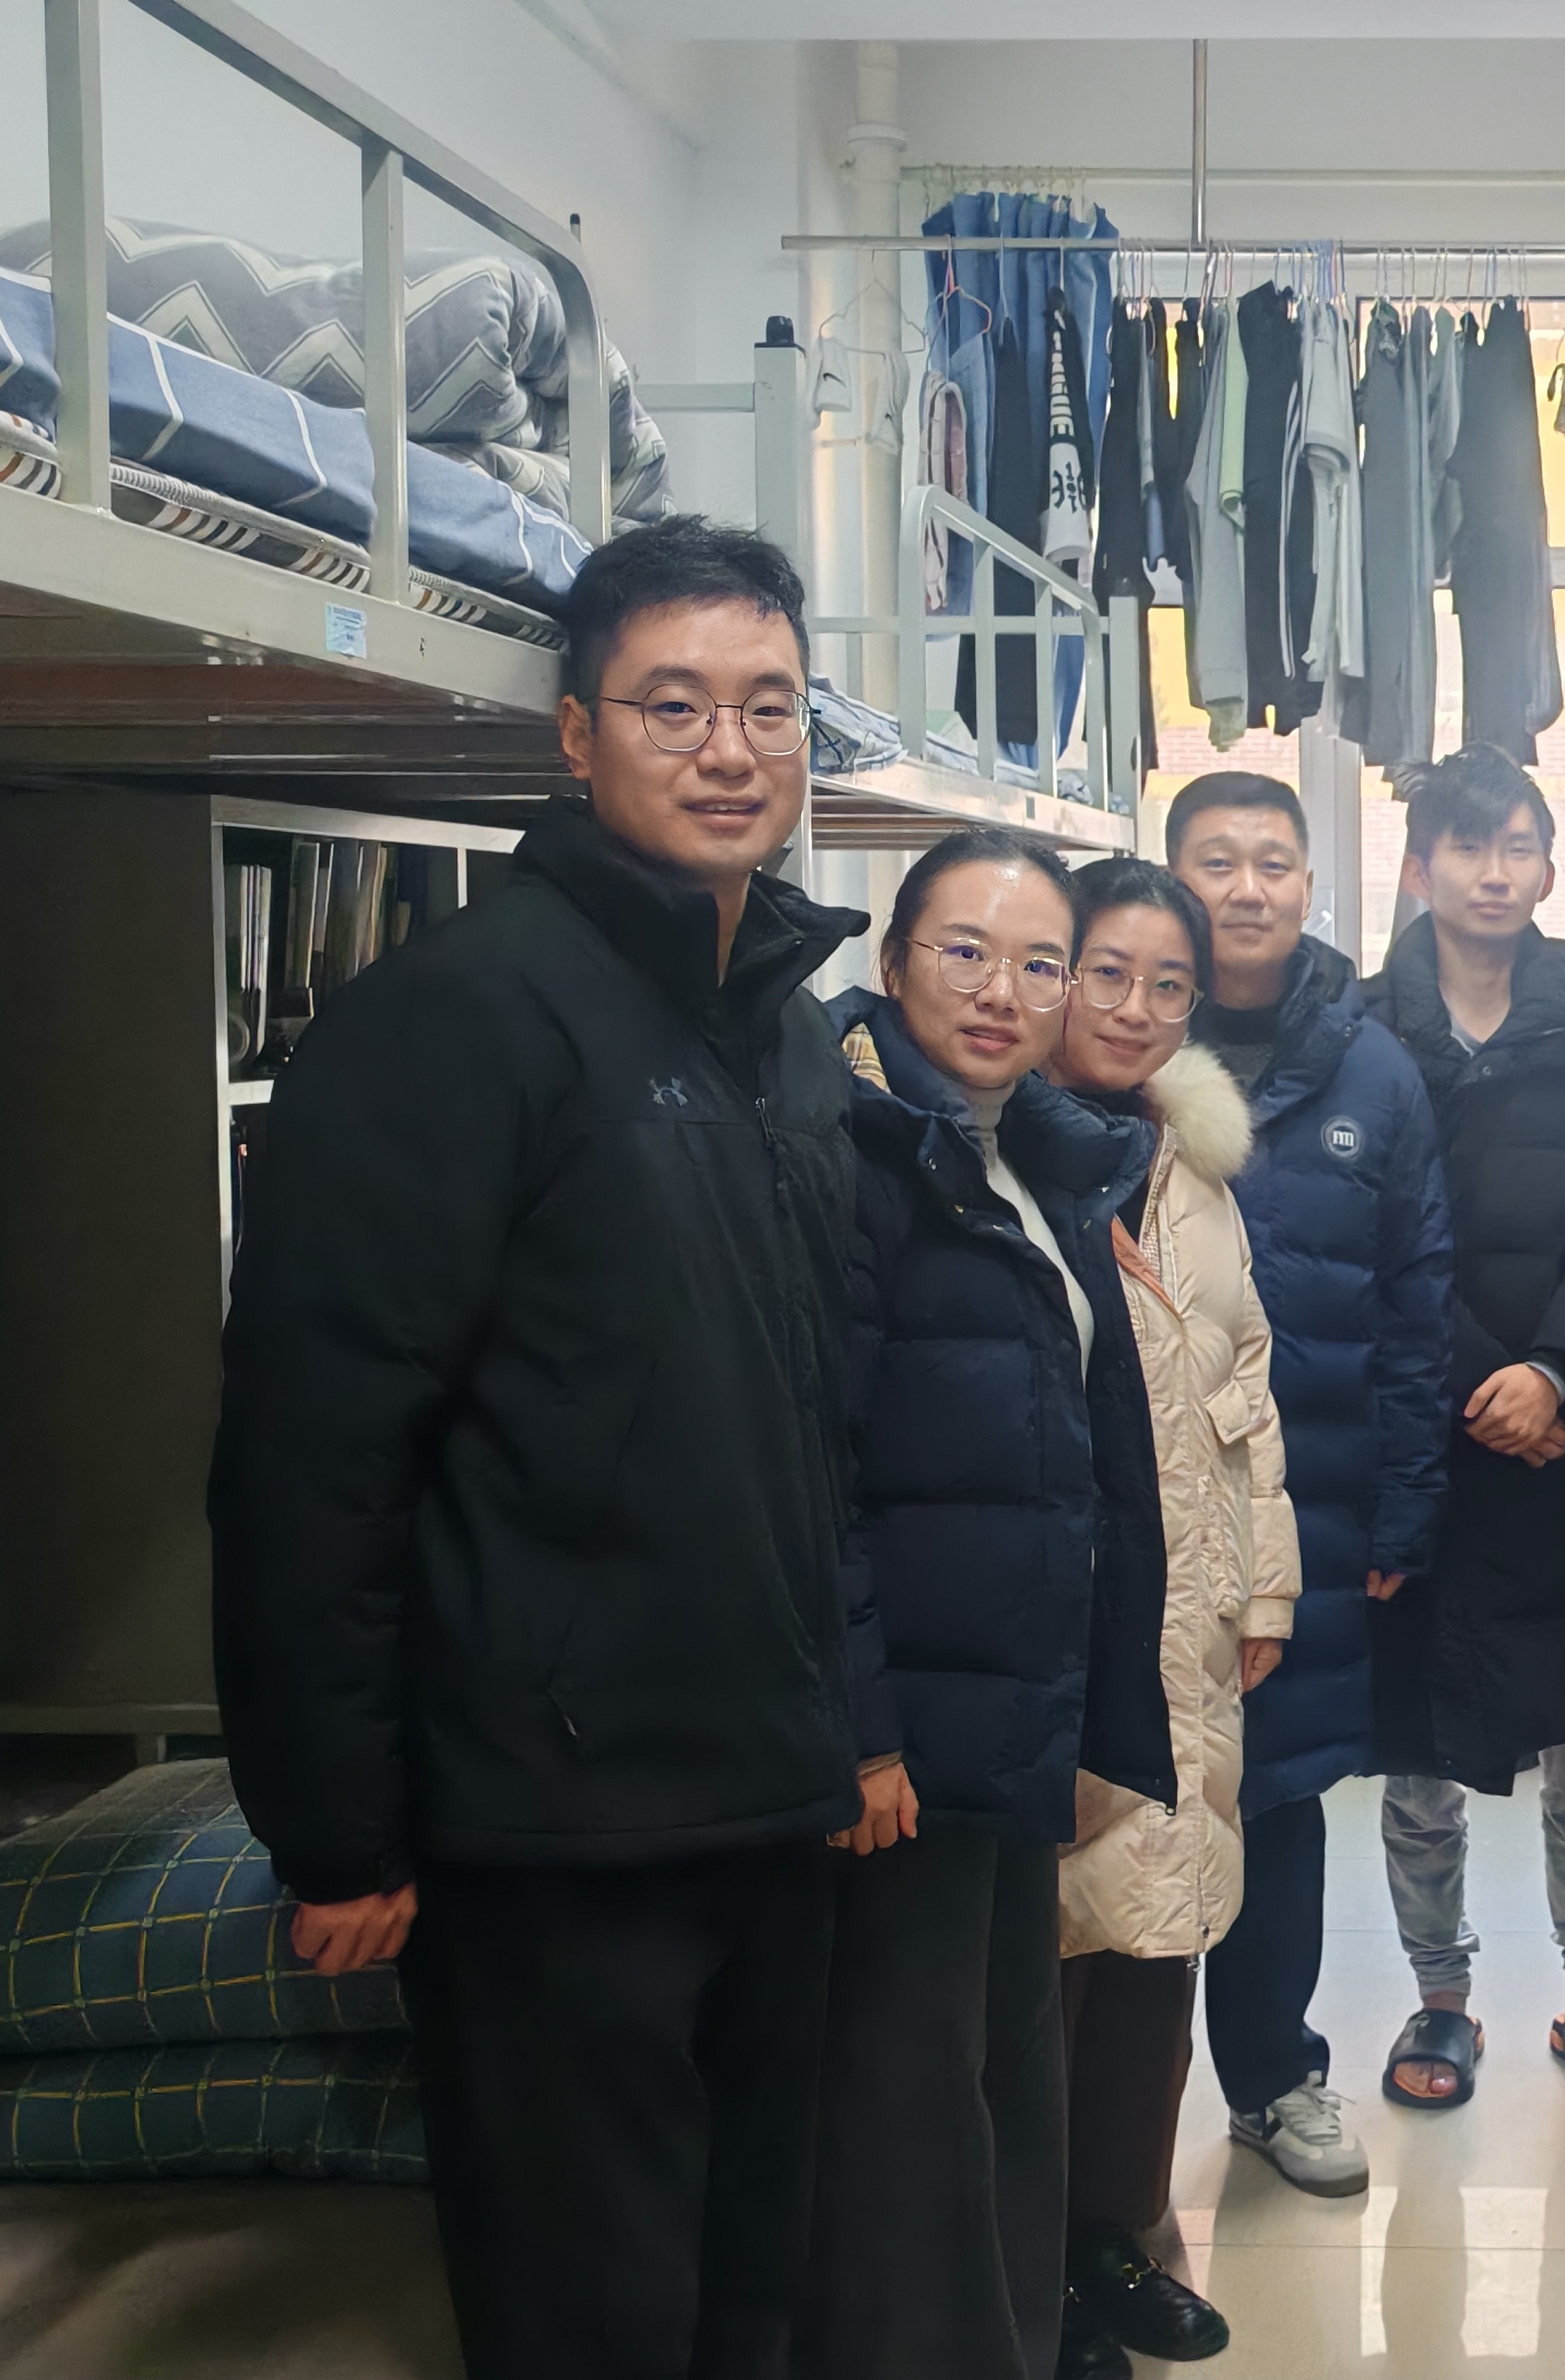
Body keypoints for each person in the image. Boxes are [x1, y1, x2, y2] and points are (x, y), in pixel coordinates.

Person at [208, 518, 868, 2380]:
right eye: (673, 706)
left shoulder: (782, 1038)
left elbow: (804, 1420)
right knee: (592, 2321)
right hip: (557, 1824)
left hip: (767, 1799)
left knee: (749, 2298)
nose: (730, 749)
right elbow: (315, 1454)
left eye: (768, 706)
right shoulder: (456, 1018)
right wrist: (337, 1827)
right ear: (576, 736)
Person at [807, 829, 1171, 2380]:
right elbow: (813, 1471)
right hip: (908, 1736)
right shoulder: (847, 1160)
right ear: (893, 961)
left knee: (1006, 2079)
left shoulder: (1031, 1158)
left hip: (1012, 1712)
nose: (1001, 991)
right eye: (964, 951)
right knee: (909, 2111)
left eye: (1038, 963)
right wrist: (864, 1729)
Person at [1361, 745, 1565, 2112]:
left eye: (1520, 846)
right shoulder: (1363, 1026)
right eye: (1469, 846)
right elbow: (1374, 1236)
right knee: (1416, 1742)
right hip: (1422, 1428)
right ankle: (1441, 1999)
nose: (1496, 872)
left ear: (1549, 866)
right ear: (1419, 866)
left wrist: (1550, 1373)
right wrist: (1486, 1386)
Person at [1168, 772, 1455, 2197]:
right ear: (1174, 875)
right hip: (1140, 1498)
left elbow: (1418, 1296)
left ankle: (1273, 2079)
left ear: (1309, 885)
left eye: (1274, 862)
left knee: (1278, 1801)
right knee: (1131, 1796)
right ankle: (1101, 2111)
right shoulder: (1118, 1029)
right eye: (1217, 860)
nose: (1248, 888)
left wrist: (1405, 1501)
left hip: (1314, 1497)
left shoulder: (1372, 1068)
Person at [1042, 857, 1294, 2377]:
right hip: (1062, 1621)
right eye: (1105, 972)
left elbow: (1245, 1393)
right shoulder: (995, 1153)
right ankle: (1033, 2270)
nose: (1135, 1009)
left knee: (1159, 1939)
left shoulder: (1185, 1167)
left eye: (1168, 986)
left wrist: (1265, 1586)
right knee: (1052, 1954)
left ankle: (1113, 2241)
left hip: (1188, 1615)